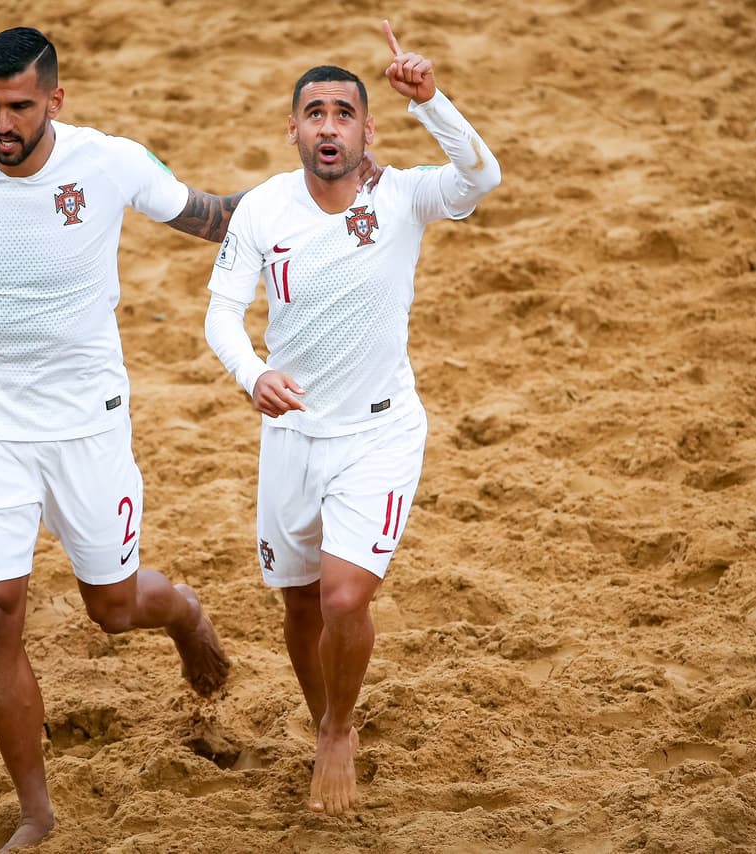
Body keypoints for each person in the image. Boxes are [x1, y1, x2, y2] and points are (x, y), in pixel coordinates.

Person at [0, 26, 380, 852]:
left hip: (85, 421)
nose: (1, 124)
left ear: (54, 101)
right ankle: (36, 811)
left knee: (114, 607)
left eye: (19, 106)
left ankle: (183, 615)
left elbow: (213, 216)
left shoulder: (108, 162)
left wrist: (333, 176)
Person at [203, 20, 501, 816]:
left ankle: (338, 729)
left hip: (379, 432)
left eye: (343, 113)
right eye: (314, 113)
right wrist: (252, 372)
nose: (328, 126)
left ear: (367, 129)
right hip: (292, 435)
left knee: (342, 599)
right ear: (293, 128)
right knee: (299, 601)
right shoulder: (263, 211)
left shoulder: (401, 192)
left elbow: (482, 177)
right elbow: (222, 315)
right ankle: (323, 716)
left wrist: (432, 102)